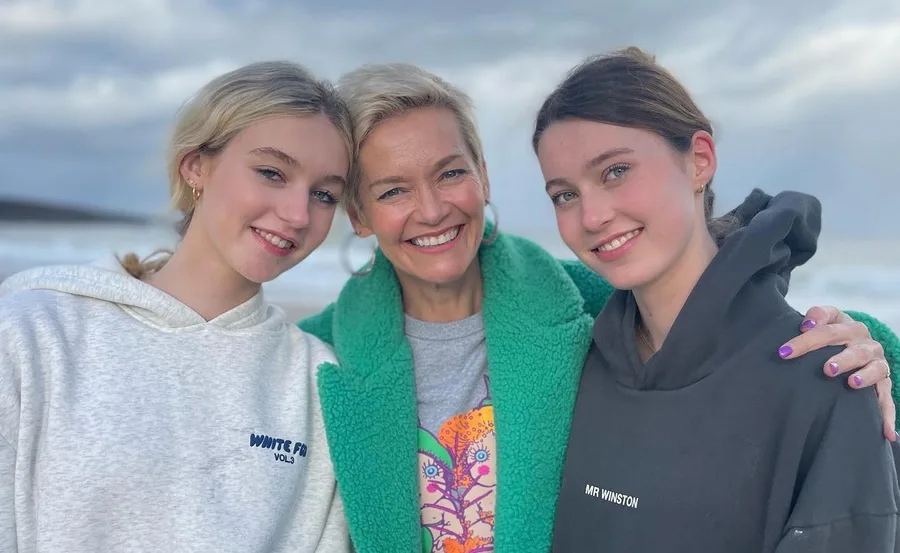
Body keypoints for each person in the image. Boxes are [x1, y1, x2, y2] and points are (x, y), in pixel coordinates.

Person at [297, 62, 900, 553]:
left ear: (482, 176)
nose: (430, 211)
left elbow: (727, 325)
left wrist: (871, 349)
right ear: (359, 213)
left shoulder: (583, 312)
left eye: (449, 173)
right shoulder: (316, 356)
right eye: (393, 190)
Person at [537, 47, 900, 552]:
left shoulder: (826, 381)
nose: (592, 215)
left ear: (699, 161)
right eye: (564, 195)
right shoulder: (579, 367)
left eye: (615, 171)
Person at [0, 61, 352, 553]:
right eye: (271, 173)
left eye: (324, 194)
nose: (298, 214)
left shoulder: (318, 380)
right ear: (196, 167)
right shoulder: (34, 334)